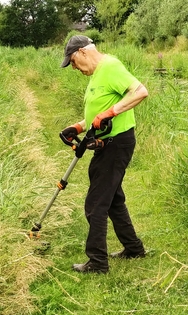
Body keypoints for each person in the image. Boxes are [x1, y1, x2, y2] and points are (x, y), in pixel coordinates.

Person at [59, 34, 149, 273]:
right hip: (108, 142)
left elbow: (140, 92)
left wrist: (111, 113)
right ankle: (134, 248)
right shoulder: (97, 74)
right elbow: (97, 114)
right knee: (113, 200)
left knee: (95, 204)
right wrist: (78, 127)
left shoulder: (110, 66)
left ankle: (97, 262)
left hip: (116, 143)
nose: (74, 68)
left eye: (73, 62)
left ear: (82, 52)